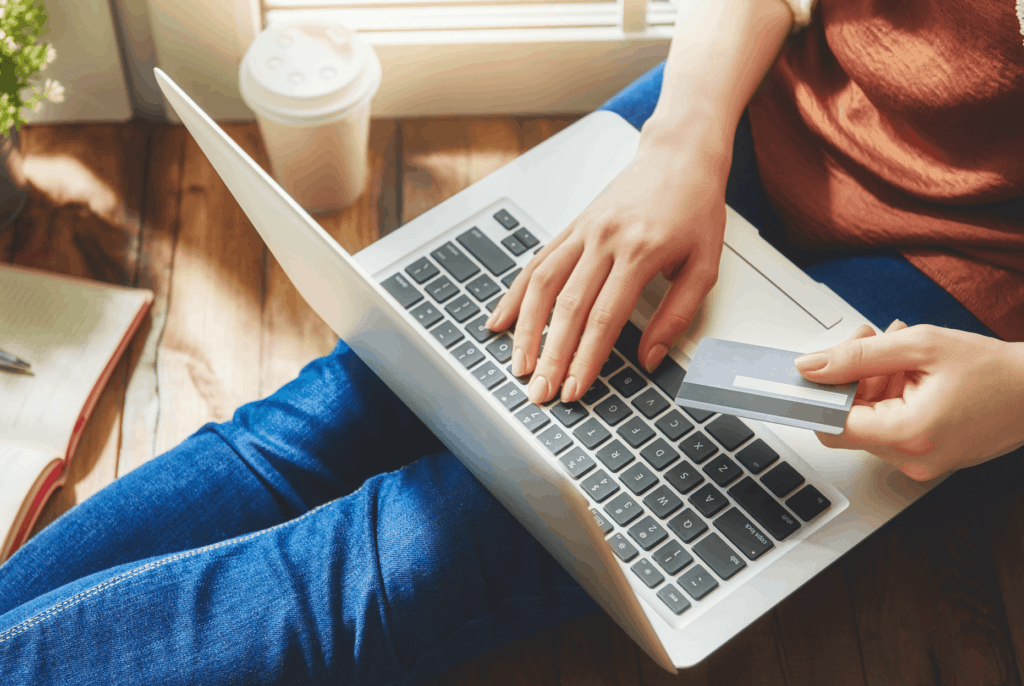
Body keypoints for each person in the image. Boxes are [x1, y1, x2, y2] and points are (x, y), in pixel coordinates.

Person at [1, 0, 1022, 683]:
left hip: (959, 287)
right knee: (331, 411)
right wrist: (681, 137)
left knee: (411, 549)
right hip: (746, 118)